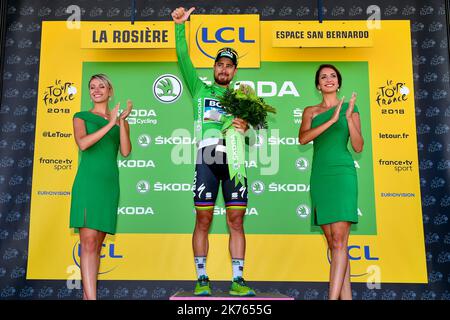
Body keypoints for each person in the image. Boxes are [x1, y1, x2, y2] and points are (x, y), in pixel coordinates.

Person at [171, 6, 255, 296]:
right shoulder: (199, 89)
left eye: (229, 66)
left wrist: (247, 128)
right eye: (220, 64)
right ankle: (202, 277)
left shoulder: (243, 98)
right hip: (206, 158)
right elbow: (183, 58)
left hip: (235, 161)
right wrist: (181, 26)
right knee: (203, 219)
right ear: (214, 68)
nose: (224, 69)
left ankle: (238, 280)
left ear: (234, 71)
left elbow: (252, 135)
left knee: (236, 220)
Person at [298, 64, 364, 300]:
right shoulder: (311, 111)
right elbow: (303, 138)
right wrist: (332, 119)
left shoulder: (351, 109)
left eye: (333, 76)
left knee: (338, 241)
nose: (328, 79)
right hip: (320, 176)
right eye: (323, 77)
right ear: (318, 85)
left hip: (343, 174)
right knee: (335, 243)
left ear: (338, 82)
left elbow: (358, 146)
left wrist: (347, 118)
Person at [69, 74, 132, 300]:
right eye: (92, 87)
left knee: (96, 245)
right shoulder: (81, 116)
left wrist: (122, 121)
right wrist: (110, 123)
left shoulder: (118, 120)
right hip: (88, 183)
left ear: (110, 91)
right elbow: (84, 143)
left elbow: (125, 151)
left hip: (109, 186)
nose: (96, 90)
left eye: (101, 86)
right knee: (87, 242)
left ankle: (88, 297)